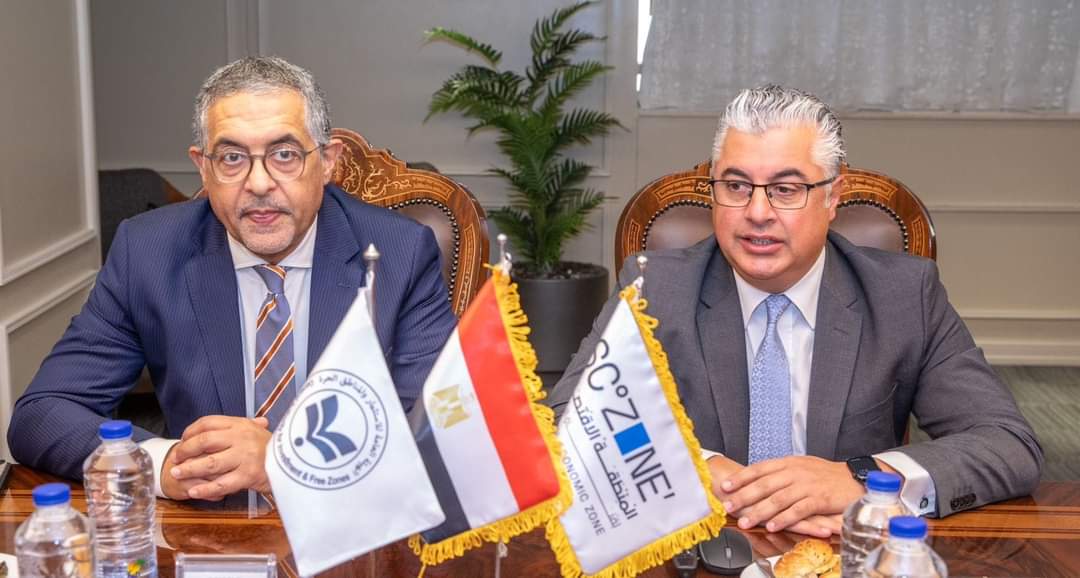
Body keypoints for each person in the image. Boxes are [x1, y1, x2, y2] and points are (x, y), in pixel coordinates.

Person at [548, 85, 1042, 537]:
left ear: (833, 196)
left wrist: (860, 478)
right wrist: (694, 468)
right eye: (736, 185)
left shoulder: (903, 295)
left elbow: (1007, 443)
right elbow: (567, 423)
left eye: (786, 189)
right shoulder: (655, 289)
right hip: (702, 548)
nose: (757, 212)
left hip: (841, 550)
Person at [9, 56, 456, 502]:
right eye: (232, 158)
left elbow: (442, 430)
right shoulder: (147, 252)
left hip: (353, 520)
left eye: (284, 155)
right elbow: (42, 414)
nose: (258, 183)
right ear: (203, 168)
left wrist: (285, 461)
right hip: (207, 525)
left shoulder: (400, 254)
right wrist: (166, 465)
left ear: (326, 162)